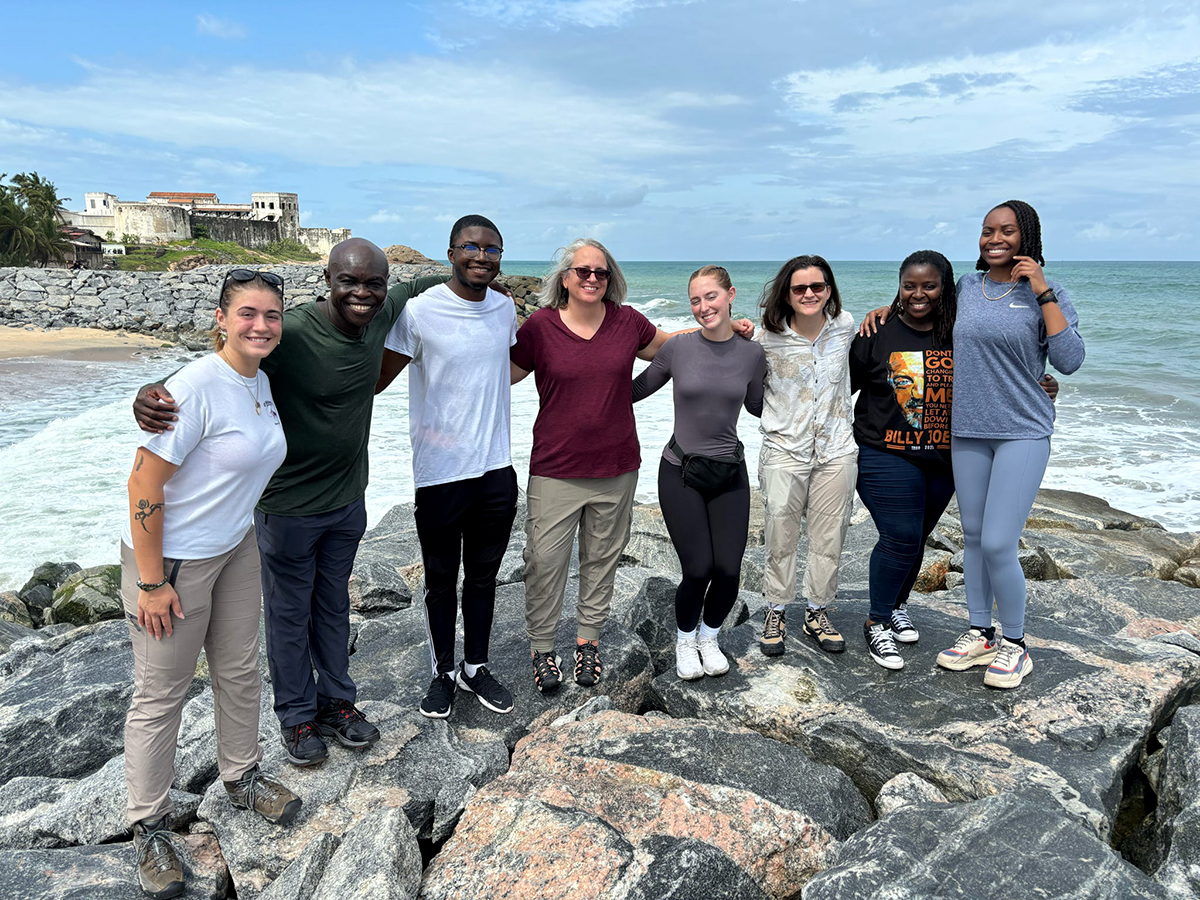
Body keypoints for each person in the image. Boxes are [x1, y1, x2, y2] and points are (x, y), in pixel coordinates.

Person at [133, 239, 450, 766]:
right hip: (287, 508)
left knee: (332, 609)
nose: (362, 293)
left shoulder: (382, 309)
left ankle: (338, 703)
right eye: (349, 281)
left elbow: (426, 284)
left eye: (374, 283)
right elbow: (221, 370)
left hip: (348, 501)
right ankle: (297, 716)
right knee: (286, 614)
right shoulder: (293, 332)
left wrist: (485, 283)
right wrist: (150, 390)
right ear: (327, 279)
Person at [122, 270, 300, 900]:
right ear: (220, 318)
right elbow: (143, 483)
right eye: (247, 313)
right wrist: (150, 583)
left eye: (272, 315)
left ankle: (241, 775)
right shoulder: (192, 388)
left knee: (240, 668)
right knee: (161, 691)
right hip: (172, 562)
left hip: (235, 547)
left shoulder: (260, 381)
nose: (261, 325)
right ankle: (147, 823)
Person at [511, 240, 753, 693]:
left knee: (601, 561)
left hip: (618, 466)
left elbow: (679, 347)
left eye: (600, 273)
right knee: (544, 562)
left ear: (610, 278)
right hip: (555, 468)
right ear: (564, 277)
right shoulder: (540, 327)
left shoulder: (627, 322)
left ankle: (588, 642)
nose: (591, 279)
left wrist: (729, 328)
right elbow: (502, 373)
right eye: (582, 271)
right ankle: (542, 648)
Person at [851, 252, 1062, 671]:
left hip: (947, 456)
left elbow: (1000, 367)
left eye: (929, 285)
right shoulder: (877, 332)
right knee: (901, 535)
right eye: (908, 285)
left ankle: (897, 606)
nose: (918, 294)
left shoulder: (958, 333)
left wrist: (1039, 385)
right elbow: (838, 385)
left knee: (918, 536)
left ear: (947, 289)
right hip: (885, 453)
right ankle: (876, 622)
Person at [375, 215, 519, 719]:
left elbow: (506, 368)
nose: (482, 257)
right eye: (471, 247)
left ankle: (475, 667)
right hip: (439, 473)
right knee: (441, 579)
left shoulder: (506, 309)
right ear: (451, 252)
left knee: (483, 577)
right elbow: (376, 380)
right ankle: (441, 672)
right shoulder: (419, 311)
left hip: (496, 469)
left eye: (492, 249)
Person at [935, 200, 1084, 688]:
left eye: (1006, 231)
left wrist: (1041, 290)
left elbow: (1069, 360)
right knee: (974, 538)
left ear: (1027, 238)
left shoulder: (1049, 291)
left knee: (1000, 541)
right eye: (986, 231)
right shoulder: (965, 288)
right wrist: (883, 310)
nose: (994, 239)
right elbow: (922, 318)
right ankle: (980, 632)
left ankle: (1017, 645)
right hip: (968, 429)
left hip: (1022, 430)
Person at [632, 265, 765, 680]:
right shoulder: (678, 348)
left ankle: (710, 637)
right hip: (680, 472)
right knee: (698, 569)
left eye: (710, 296)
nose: (702, 306)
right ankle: (684, 641)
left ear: (730, 296)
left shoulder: (753, 353)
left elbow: (761, 407)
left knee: (728, 569)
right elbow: (633, 391)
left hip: (730, 472)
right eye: (694, 300)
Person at [755, 255, 857, 657]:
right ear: (788, 293)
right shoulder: (764, 338)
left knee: (829, 537)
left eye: (817, 286)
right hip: (784, 450)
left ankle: (817, 612)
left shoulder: (846, 326)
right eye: (800, 288)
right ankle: (776, 610)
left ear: (829, 290)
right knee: (780, 535)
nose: (809, 294)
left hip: (836, 450)